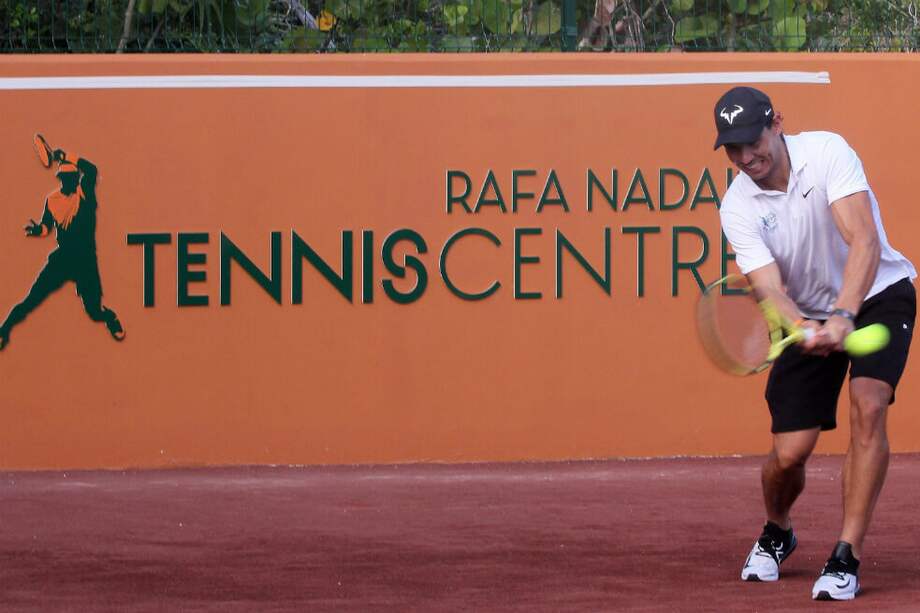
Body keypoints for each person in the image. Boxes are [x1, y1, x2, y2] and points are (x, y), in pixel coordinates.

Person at [712, 86, 916, 601]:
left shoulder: (827, 152)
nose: (745, 157)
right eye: (733, 148)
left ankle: (846, 555)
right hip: (807, 310)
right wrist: (803, 326)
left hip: (878, 294)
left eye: (752, 141)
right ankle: (778, 529)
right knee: (789, 454)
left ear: (777, 123)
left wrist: (844, 314)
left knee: (869, 406)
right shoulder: (736, 205)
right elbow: (769, 289)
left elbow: (863, 239)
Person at [0, 147, 125, 350]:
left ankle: (109, 317)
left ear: (77, 178)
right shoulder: (52, 200)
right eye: (66, 178)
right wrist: (38, 230)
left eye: (72, 177)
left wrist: (66, 156)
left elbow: (92, 170)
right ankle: (4, 330)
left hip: (85, 259)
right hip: (63, 258)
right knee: (32, 299)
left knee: (94, 312)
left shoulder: (84, 194)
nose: (70, 181)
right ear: (61, 179)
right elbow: (46, 227)